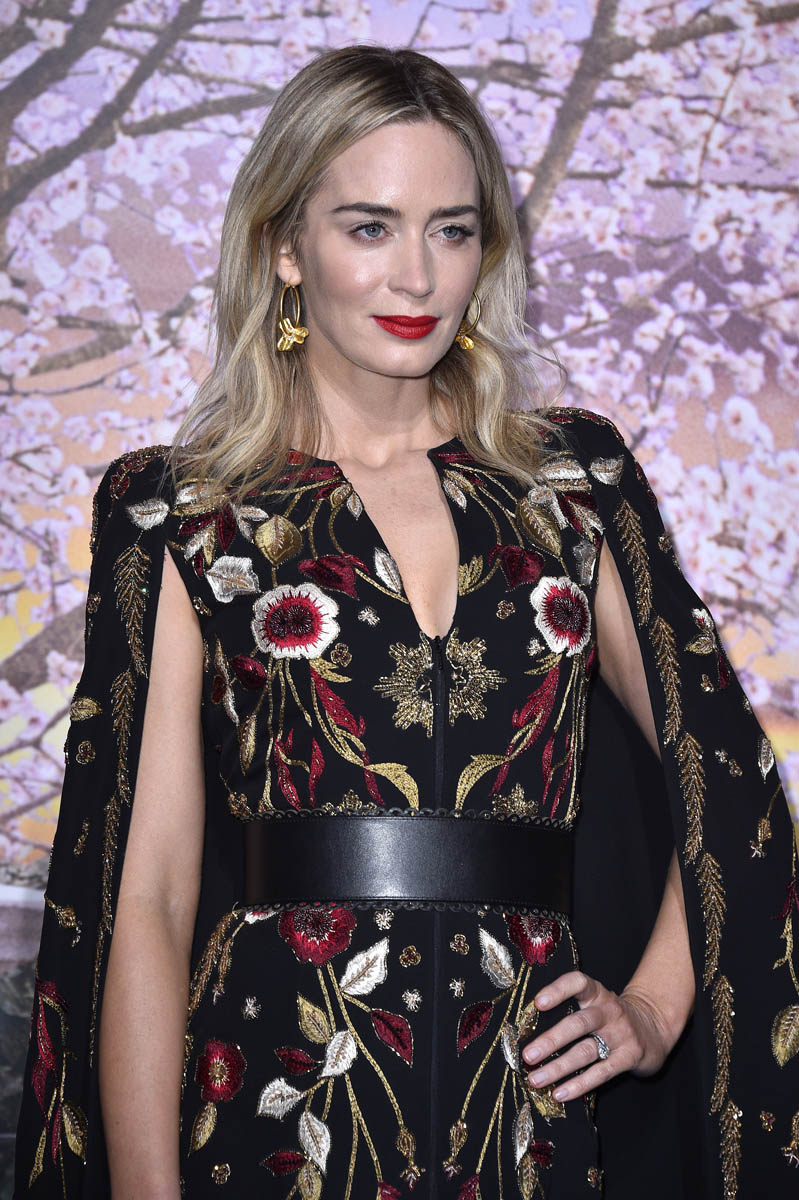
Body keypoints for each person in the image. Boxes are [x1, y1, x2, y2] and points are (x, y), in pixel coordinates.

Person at [13, 44, 798, 1200]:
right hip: (270, 1104)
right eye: (370, 227)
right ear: (285, 247)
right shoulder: (182, 510)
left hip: (529, 1115)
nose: (418, 275)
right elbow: (152, 899)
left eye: (453, 229)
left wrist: (653, 1008)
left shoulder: (573, 487)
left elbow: (722, 777)